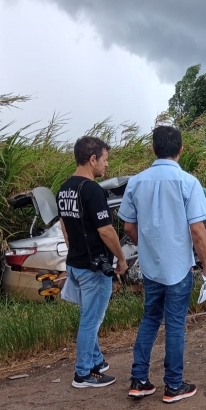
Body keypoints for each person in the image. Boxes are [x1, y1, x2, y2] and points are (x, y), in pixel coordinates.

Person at [119, 125, 206, 403]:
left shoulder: (136, 182)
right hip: (179, 269)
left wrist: (148, 245)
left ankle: (139, 380)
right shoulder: (188, 182)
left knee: (150, 319)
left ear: (153, 148)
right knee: (175, 325)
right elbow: (198, 231)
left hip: (151, 269)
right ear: (180, 149)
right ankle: (173, 385)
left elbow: (128, 227)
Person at [57, 135, 128, 388]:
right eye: (105, 160)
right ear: (92, 159)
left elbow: (65, 227)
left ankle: (96, 360)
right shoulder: (92, 190)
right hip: (94, 267)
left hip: (75, 263)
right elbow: (106, 231)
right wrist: (121, 258)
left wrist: (74, 251)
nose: (106, 165)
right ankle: (83, 373)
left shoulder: (64, 188)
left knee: (89, 315)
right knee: (91, 320)